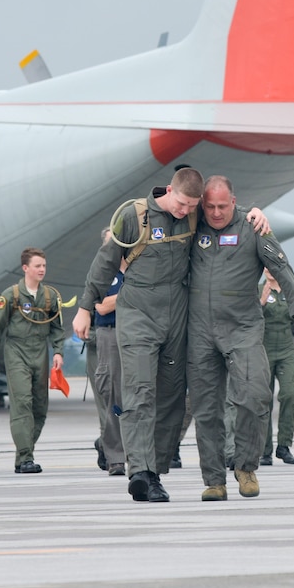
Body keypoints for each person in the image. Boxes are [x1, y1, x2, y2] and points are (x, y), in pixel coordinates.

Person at [73, 167, 205, 503]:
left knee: (172, 398)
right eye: (182, 203)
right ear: (170, 191)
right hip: (137, 314)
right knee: (139, 393)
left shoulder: (194, 215)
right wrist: (85, 307)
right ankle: (142, 473)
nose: (185, 211)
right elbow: (105, 263)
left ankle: (156, 471)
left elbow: (227, 215)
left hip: (177, 315)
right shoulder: (135, 216)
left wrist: (255, 214)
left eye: (192, 206)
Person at [187, 176, 294, 502]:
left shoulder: (254, 227)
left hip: (242, 327)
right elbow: (162, 202)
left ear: (234, 201)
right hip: (200, 330)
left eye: (222, 206)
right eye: (210, 206)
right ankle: (214, 480)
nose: (216, 213)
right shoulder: (190, 224)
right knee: (206, 409)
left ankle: (245, 466)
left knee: (254, 395)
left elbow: (282, 268)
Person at [0, 247, 65, 473]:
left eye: (44, 265)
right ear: (25, 268)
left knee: (40, 407)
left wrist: (58, 351)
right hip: (17, 353)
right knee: (22, 404)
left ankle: (22, 456)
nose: (42, 269)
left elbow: (57, 328)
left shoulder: (50, 296)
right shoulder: (10, 296)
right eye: (37, 266)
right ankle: (26, 457)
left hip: (40, 353)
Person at [89, 229, 127, 476]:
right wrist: (133, 293)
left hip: (136, 333)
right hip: (110, 334)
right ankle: (115, 457)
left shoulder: (139, 269)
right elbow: (101, 307)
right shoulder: (103, 274)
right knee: (112, 395)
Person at [258, 269, 294, 466]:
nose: (269, 270)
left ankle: (284, 445)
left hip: (286, 351)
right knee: (263, 401)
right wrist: (260, 302)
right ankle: (264, 450)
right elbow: (245, 319)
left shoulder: (290, 290)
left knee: (290, 395)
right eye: (265, 266)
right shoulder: (256, 289)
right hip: (263, 351)